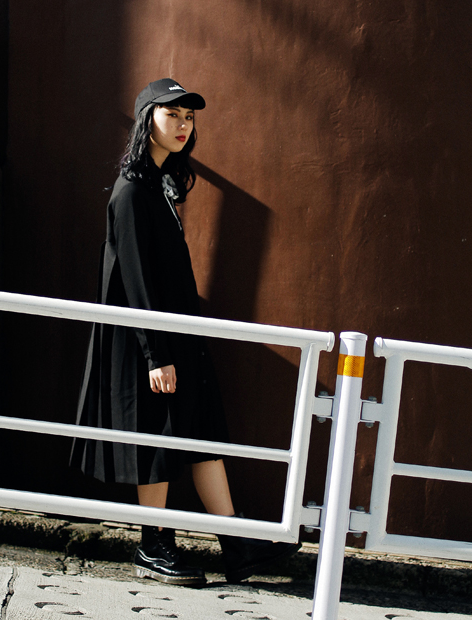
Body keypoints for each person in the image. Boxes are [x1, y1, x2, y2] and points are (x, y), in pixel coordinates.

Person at [70, 78, 300, 586]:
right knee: (156, 437)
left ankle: (237, 545)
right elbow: (136, 278)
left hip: (177, 335)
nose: (182, 124)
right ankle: (153, 545)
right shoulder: (132, 192)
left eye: (188, 117)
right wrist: (156, 355)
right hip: (148, 342)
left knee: (202, 432)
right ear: (146, 120)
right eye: (171, 114)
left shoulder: (161, 186)